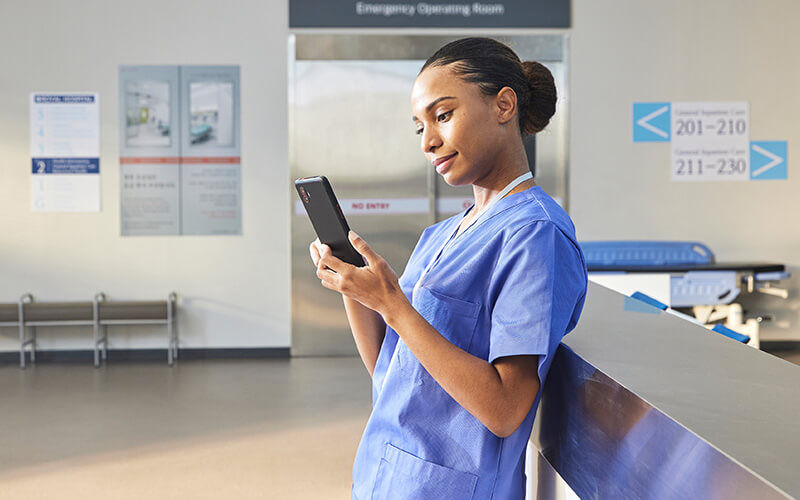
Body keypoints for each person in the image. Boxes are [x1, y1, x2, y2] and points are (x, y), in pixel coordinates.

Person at [309, 37, 588, 499]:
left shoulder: (536, 235)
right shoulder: (439, 236)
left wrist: (394, 304)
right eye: (419, 126)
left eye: (443, 115)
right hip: (386, 473)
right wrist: (356, 289)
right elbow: (390, 368)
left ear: (503, 105)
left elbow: (505, 408)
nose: (428, 141)